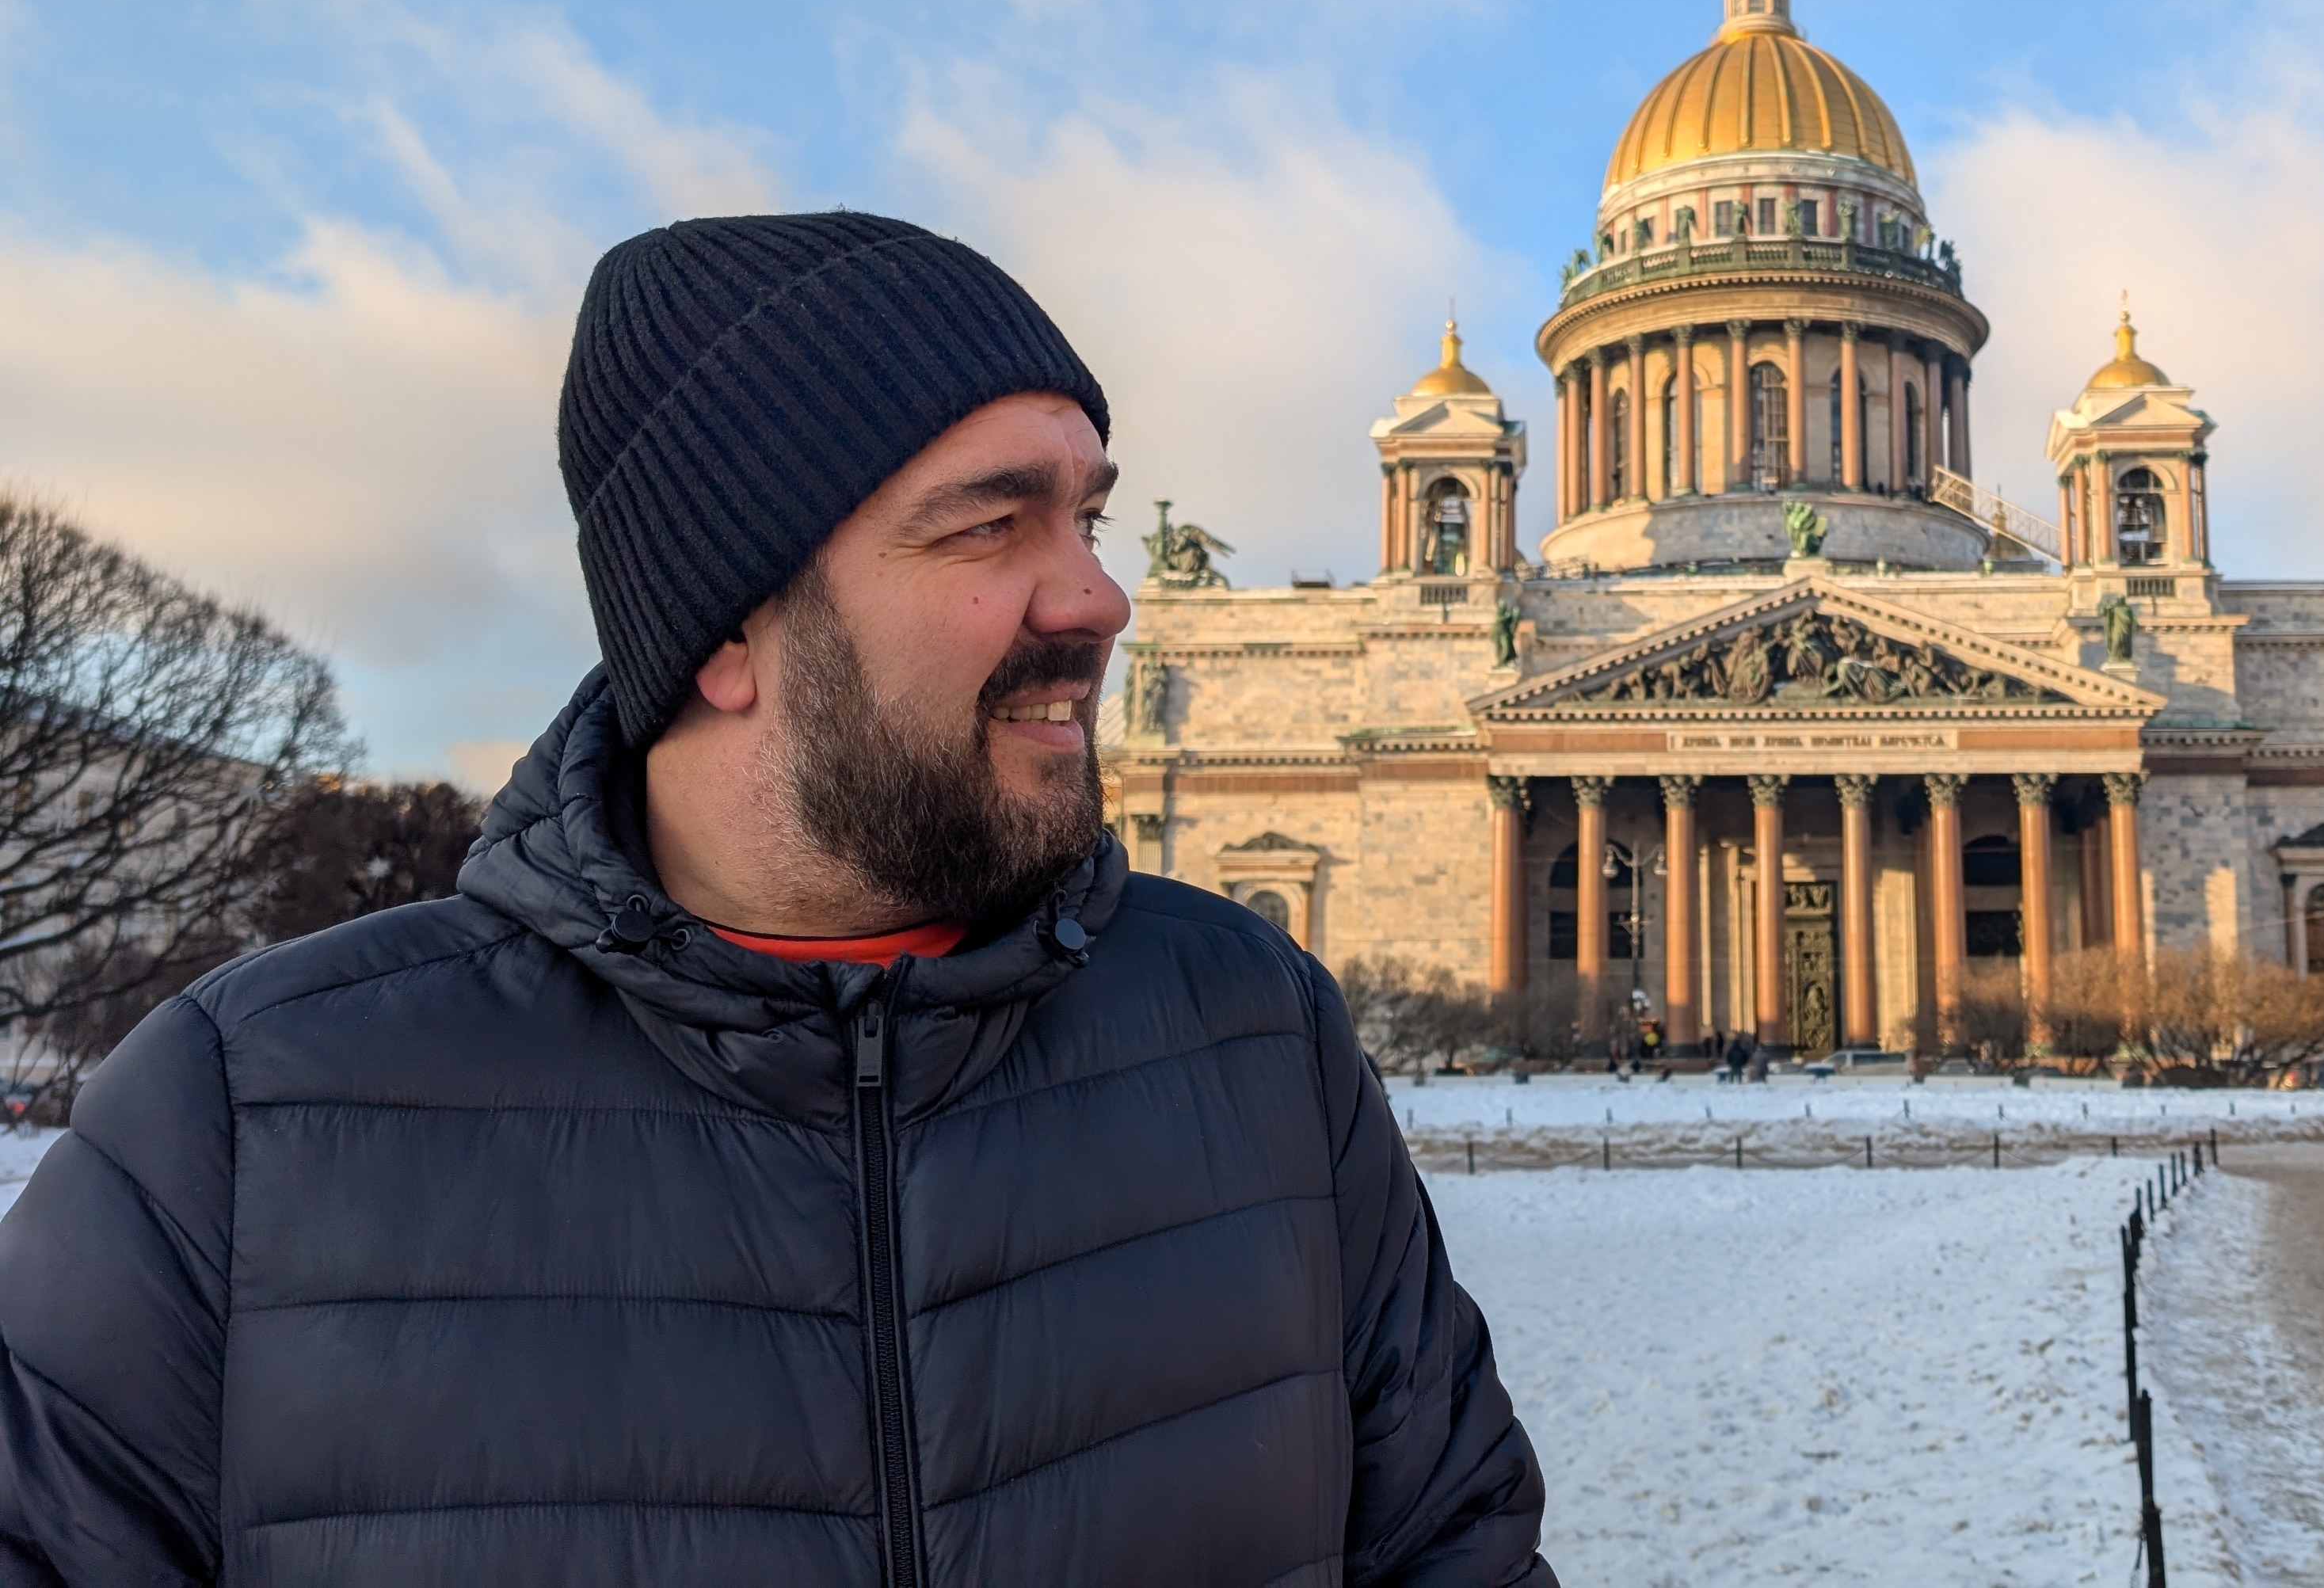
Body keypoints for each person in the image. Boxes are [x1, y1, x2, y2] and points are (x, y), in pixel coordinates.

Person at [0, 214, 1552, 1586]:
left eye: (1087, 514)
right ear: (723, 632)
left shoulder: (1253, 1040)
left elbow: (1454, 1549)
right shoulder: (240, 1129)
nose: (1100, 593)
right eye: (990, 522)